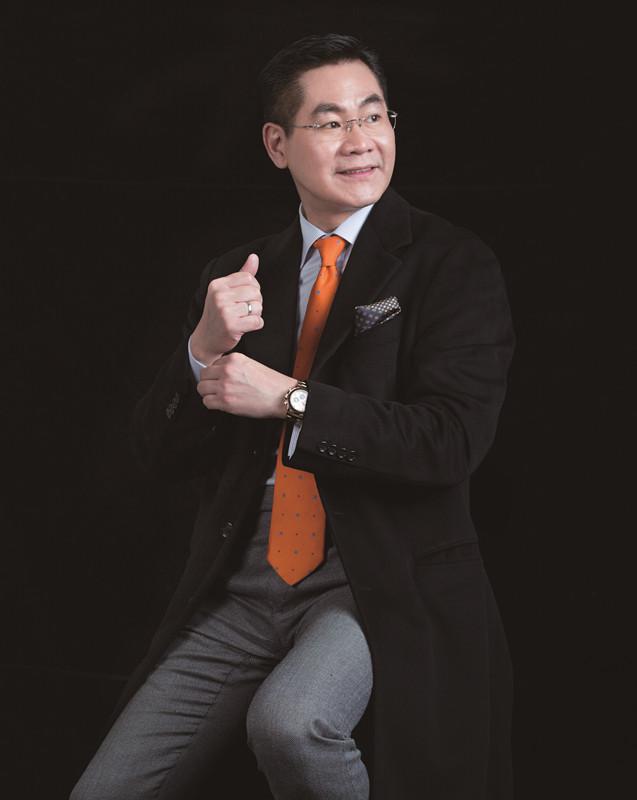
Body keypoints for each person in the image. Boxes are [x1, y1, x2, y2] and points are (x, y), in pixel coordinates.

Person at [70, 33, 515, 800]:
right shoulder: (238, 274)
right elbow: (158, 455)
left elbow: (448, 442)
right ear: (278, 145)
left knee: (290, 722)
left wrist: (290, 398)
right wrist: (200, 349)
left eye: (373, 116)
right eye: (331, 122)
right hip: (241, 590)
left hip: (371, 579)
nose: (361, 140)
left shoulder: (451, 264)